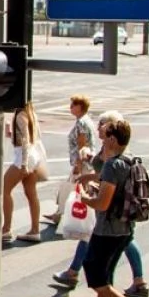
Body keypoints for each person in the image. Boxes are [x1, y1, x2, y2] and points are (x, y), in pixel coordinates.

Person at [75, 119, 149, 297]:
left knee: (98, 281)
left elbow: (102, 203)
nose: (101, 139)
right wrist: (93, 181)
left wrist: (84, 198)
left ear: (112, 139)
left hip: (107, 232)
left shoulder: (112, 165)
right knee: (106, 279)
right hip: (125, 229)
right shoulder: (130, 160)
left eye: (105, 135)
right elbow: (114, 189)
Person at [52, 110, 149, 297]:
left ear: (111, 134)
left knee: (102, 275)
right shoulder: (119, 155)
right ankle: (132, 285)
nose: (98, 129)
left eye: (102, 125)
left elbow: (108, 179)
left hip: (112, 216)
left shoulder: (113, 158)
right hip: (118, 214)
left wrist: (87, 198)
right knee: (112, 243)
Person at [47, 94, 98, 226]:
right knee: (72, 188)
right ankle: (59, 214)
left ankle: (80, 218)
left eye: (73, 105)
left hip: (83, 163)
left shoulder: (81, 122)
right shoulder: (86, 120)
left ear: (80, 107)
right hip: (87, 161)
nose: (70, 107)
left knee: (78, 189)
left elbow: (82, 144)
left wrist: (78, 165)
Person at [3, 102, 43, 243]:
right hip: (33, 155)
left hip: (24, 156)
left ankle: (6, 229)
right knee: (31, 193)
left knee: (4, 189)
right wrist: (10, 134)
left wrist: (24, 163)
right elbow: (31, 137)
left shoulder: (20, 115)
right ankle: (35, 230)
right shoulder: (31, 113)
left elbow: (25, 140)